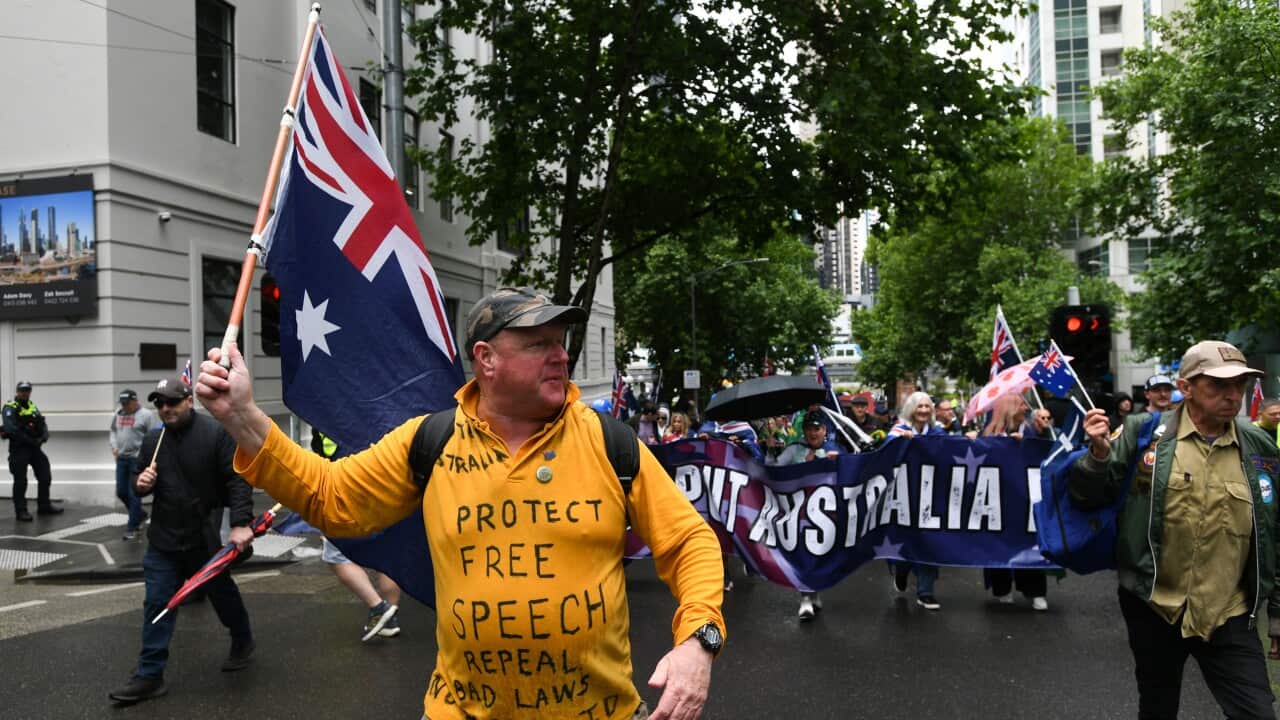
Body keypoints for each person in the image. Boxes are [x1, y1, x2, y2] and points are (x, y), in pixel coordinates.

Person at [195, 286, 726, 720]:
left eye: (561, 342)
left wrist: (698, 641)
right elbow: (332, 499)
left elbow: (689, 540)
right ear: (486, 359)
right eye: (538, 343)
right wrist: (242, 417)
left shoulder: (610, 442)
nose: (561, 354)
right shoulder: (430, 442)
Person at [1070, 340, 1280, 719]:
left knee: (1258, 713)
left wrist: (1277, 616)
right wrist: (1098, 457)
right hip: (1154, 605)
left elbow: (1274, 532)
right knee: (1158, 706)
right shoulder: (1142, 433)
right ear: (1185, 388)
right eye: (1218, 384)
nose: (1233, 394)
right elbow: (1088, 499)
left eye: (1240, 384)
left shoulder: (1260, 446)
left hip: (1229, 613)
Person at [108, 375, 256, 705]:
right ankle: (149, 675)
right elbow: (138, 483)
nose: (165, 409)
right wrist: (140, 484)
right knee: (158, 603)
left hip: (204, 538)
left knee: (222, 595)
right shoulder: (152, 441)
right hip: (164, 539)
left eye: (172, 402)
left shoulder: (216, 434)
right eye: (159, 403)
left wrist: (241, 523)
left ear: (189, 400)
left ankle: (242, 639)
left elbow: (238, 480)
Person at [310, 429, 403, 641]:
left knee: (335, 553)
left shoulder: (327, 412)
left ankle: (380, 610)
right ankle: (391, 614)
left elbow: (322, 456)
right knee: (388, 550)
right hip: (388, 483)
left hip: (347, 486)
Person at [769, 410, 840, 620]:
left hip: (826, 514)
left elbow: (852, 473)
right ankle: (806, 598)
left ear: (824, 430)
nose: (813, 433)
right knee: (804, 553)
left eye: (817, 428)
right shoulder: (794, 451)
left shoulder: (834, 450)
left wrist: (838, 462)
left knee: (820, 553)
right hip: (798, 511)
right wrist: (770, 451)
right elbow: (772, 470)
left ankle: (814, 591)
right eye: (809, 428)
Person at [983, 394, 1049, 610]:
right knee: (998, 540)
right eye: (1021, 404)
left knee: (1030, 540)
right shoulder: (991, 433)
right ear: (1011, 408)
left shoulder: (1033, 429)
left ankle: (1035, 591)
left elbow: (1050, 451)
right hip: (999, 497)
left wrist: (1036, 438)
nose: (1026, 408)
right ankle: (1002, 588)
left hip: (1027, 496)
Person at [886, 392, 944, 610]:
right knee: (906, 539)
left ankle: (926, 592)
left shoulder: (937, 432)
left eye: (927, 406)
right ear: (911, 409)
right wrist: (901, 442)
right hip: (905, 495)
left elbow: (953, 448)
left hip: (931, 496)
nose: (923, 411)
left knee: (931, 541)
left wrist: (970, 439)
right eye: (919, 406)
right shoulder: (899, 429)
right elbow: (887, 450)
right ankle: (901, 568)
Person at [4, 380, 59, 521]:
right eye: (22, 390)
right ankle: (21, 511)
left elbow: (42, 422)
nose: (25, 393)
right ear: (17, 391)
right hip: (19, 449)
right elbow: (11, 429)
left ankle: (44, 505)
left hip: (34, 448)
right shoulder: (10, 407)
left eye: (27, 390)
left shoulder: (32, 406)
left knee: (45, 474)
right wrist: (30, 440)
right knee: (21, 481)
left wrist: (44, 436)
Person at [110, 389, 160, 539]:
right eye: (122, 404)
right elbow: (113, 431)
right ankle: (139, 513)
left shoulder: (146, 415)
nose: (124, 407)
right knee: (121, 492)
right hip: (122, 458)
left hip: (136, 459)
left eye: (127, 404)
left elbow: (152, 436)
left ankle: (133, 527)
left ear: (134, 401)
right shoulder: (118, 413)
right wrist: (114, 447)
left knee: (134, 495)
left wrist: (145, 456)